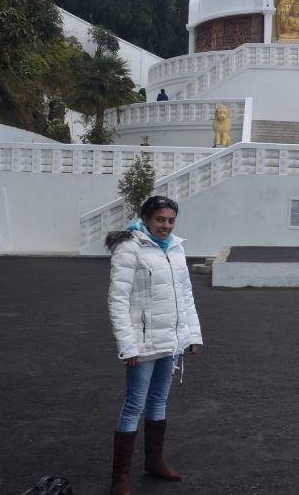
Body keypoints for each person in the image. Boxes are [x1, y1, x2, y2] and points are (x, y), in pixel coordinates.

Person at [104, 196, 203, 495]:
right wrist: (127, 345)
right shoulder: (129, 248)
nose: (166, 225)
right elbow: (117, 300)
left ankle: (154, 461)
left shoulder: (175, 247)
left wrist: (192, 335)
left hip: (170, 340)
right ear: (146, 218)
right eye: (160, 219)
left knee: (158, 402)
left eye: (171, 220)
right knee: (135, 403)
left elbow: (185, 295)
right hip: (142, 341)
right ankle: (120, 476)